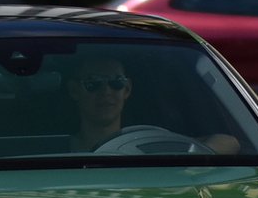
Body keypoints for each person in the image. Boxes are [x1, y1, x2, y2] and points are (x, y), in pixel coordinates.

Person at [65, 59, 241, 155]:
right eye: (93, 83)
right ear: (74, 91)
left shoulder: (154, 144)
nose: (106, 91)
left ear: (127, 89)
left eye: (115, 82)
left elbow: (229, 142)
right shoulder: (54, 150)